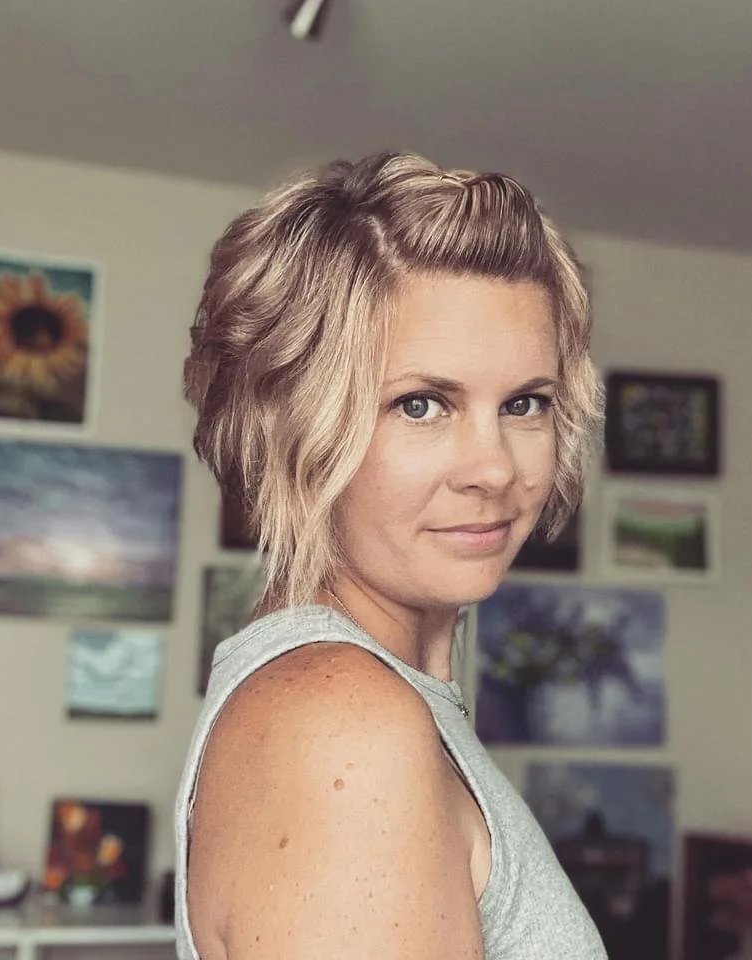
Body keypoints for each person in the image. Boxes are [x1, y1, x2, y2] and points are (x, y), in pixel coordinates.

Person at [174, 151, 607, 960]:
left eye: (525, 403)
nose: (495, 470)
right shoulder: (342, 728)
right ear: (292, 426)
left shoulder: (377, 702)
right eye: (421, 404)